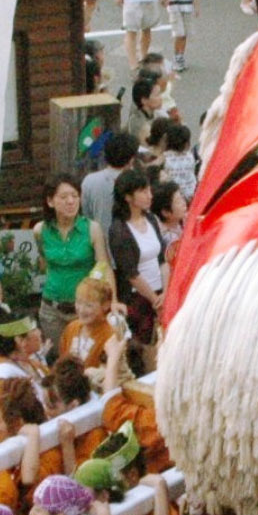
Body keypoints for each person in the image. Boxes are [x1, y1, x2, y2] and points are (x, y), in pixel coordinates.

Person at [32, 174, 109, 352]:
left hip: (84, 309)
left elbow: (103, 265)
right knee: (63, 361)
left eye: (75, 196)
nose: (71, 201)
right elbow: (44, 263)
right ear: (50, 201)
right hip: (52, 309)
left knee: (88, 357)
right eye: (64, 197)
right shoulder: (40, 230)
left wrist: (110, 302)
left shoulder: (91, 228)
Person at [108, 168, 167, 346]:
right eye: (143, 191)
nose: (149, 196)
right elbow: (130, 272)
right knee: (144, 344)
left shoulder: (151, 219)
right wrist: (154, 299)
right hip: (138, 299)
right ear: (128, 197)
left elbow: (162, 258)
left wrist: (166, 291)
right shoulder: (119, 229)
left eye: (149, 190)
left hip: (161, 291)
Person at [81, 131, 139, 241]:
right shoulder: (136, 182)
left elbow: (86, 216)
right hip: (130, 243)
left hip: (98, 242)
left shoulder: (89, 180)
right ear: (131, 159)